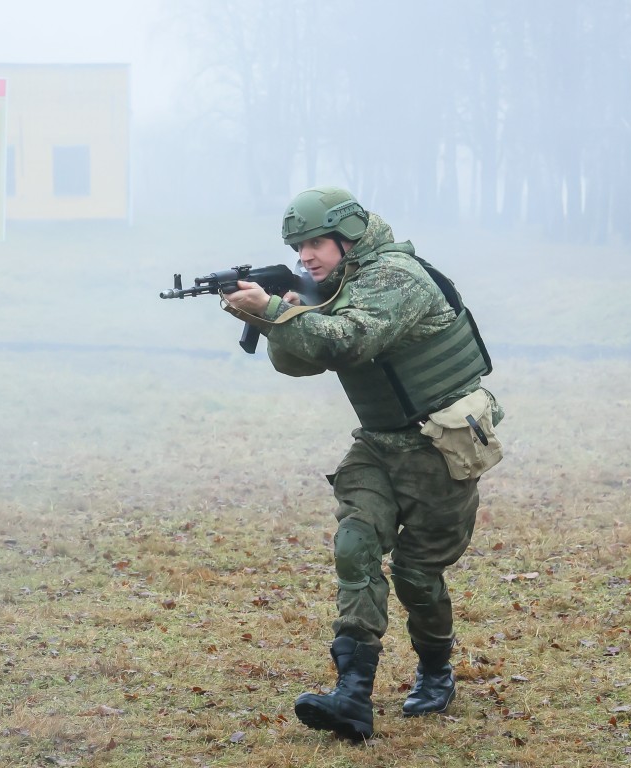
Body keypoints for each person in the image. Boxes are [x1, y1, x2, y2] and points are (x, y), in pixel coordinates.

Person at [222, 186, 504, 740]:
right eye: (297, 247)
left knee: (418, 578)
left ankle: (435, 670)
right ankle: (352, 694)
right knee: (354, 545)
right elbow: (300, 364)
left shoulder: (396, 276)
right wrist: (275, 317)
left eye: (315, 244)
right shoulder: (336, 284)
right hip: (377, 444)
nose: (305, 257)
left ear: (349, 237)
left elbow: (347, 343)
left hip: (438, 447)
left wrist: (276, 310)